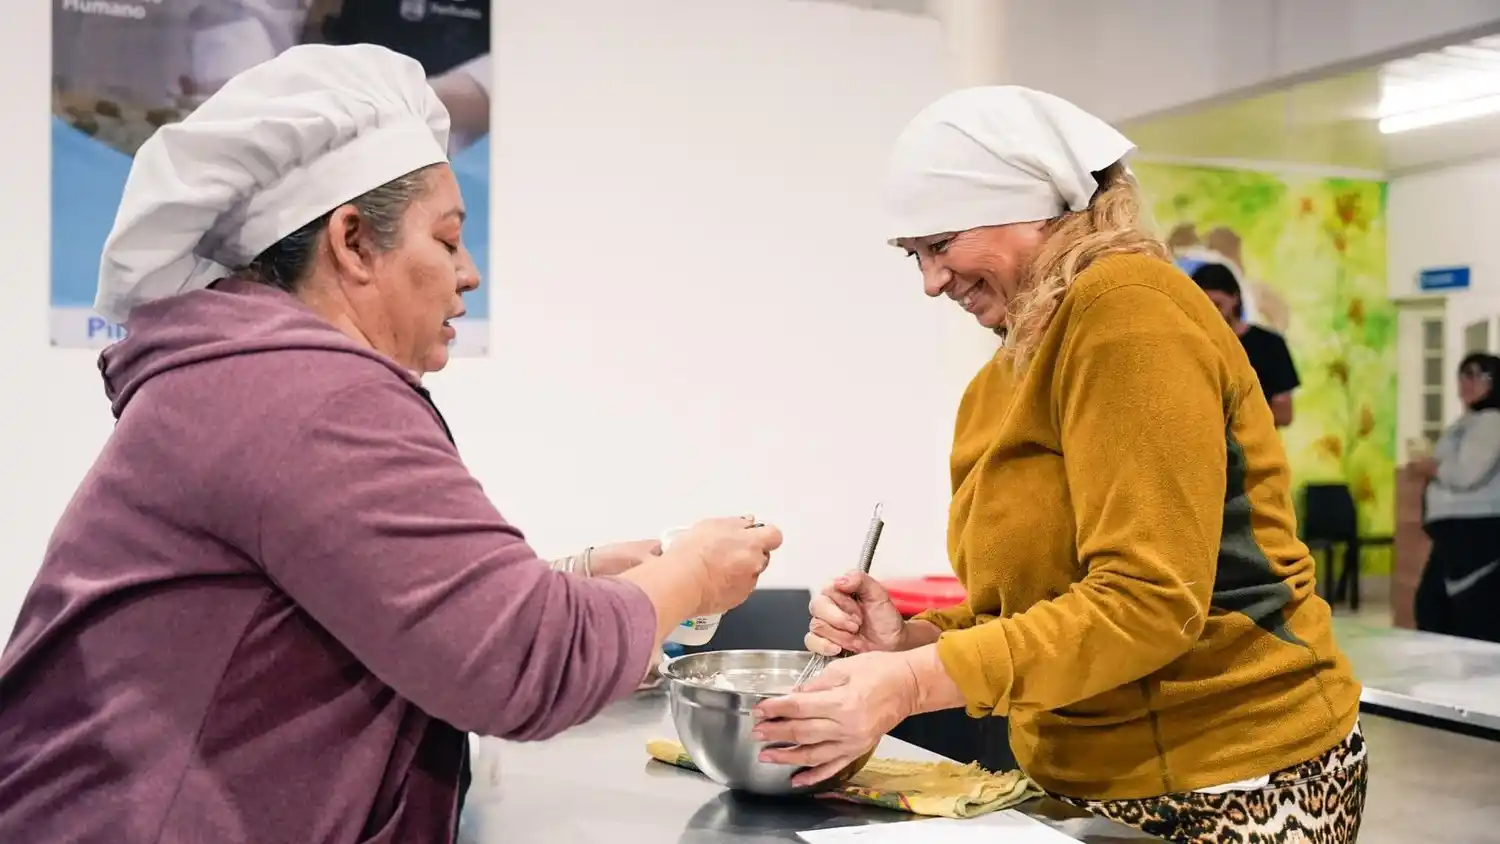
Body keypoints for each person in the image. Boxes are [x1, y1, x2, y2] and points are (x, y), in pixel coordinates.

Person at [0, 44, 783, 844]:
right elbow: (521, 663)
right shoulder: (306, 395)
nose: (468, 273)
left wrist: (572, 579)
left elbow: (348, 604)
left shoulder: (242, 381)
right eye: (446, 241)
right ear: (352, 241)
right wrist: (690, 575)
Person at [752, 87, 1366, 844]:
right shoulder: (1005, 375)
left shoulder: (1128, 311)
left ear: (1030, 208)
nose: (931, 282)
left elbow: (1146, 601)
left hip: (1226, 775)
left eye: (942, 244)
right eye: (915, 256)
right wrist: (907, 642)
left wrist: (910, 686)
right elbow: (1032, 608)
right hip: (1083, 779)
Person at [1411, 352, 1500, 642]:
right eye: (1464, 374)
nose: (1467, 382)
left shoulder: (1492, 421)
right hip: (1455, 533)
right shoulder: (1467, 422)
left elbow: (1466, 474)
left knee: (1462, 613)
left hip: (1476, 533)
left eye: (1477, 375)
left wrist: (1431, 467)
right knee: (1435, 608)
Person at [1191, 261, 1299, 427]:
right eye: (1203, 305)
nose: (1210, 313)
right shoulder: (1189, 345)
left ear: (1235, 298)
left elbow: (1284, 415)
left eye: (1217, 305)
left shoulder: (1270, 344)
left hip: (1253, 450)